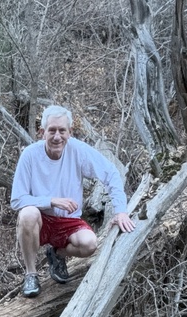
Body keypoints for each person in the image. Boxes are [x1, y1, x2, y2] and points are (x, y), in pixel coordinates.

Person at [10, 105, 135, 298]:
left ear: (70, 132)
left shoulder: (78, 150)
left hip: (68, 221)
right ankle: (31, 274)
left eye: (62, 130)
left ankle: (57, 255)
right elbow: (17, 199)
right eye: (52, 130)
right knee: (27, 213)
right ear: (43, 132)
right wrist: (51, 201)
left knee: (89, 244)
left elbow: (110, 172)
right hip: (40, 219)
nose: (57, 136)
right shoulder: (30, 155)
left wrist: (120, 211)